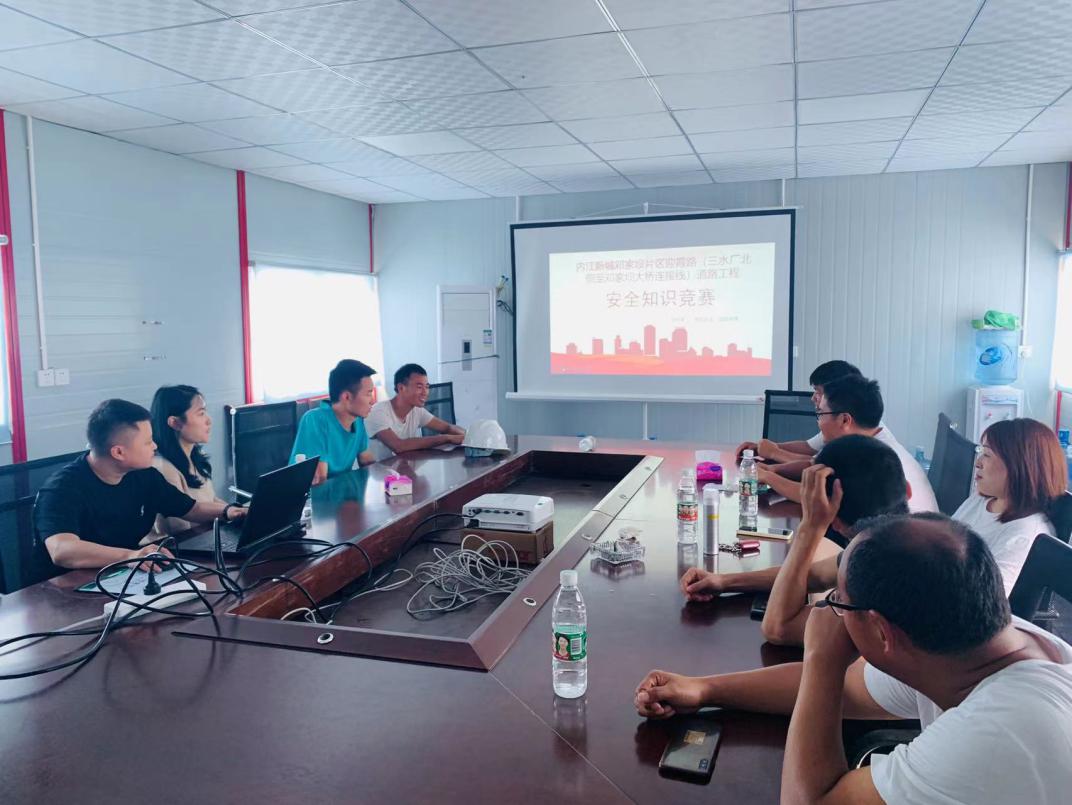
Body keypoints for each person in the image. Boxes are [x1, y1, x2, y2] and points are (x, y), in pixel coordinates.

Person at [636, 514, 1072, 804]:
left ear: (882, 632)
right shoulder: (965, 641)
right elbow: (849, 690)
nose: (830, 612)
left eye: (838, 602)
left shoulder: (999, 734)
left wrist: (822, 657)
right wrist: (706, 688)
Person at [681, 435, 910, 646]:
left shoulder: (874, 575)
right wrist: (723, 581)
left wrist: (810, 527)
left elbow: (778, 628)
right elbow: (813, 575)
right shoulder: (898, 541)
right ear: (907, 491)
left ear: (833, 519)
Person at [34, 399, 245, 570]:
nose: (154, 446)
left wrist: (230, 511)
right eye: (147, 442)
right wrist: (130, 556)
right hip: (66, 590)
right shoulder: (62, 488)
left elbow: (192, 509)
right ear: (118, 452)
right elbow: (62, 550)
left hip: (124, 573)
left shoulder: (144, 475)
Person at [757, 374, 938, 513]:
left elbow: (817, 497)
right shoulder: (865, 439)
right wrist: (771, 470)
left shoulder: (875, 457)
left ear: (845, 420)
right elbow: (815, 465)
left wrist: (768, 477)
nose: (818, 422)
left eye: (820, 414)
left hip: (902, 544)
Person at [953, 417, 1066, 595]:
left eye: (987, 455)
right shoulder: (981, 500)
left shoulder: (1026, 533)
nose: (978, 462)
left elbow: (988, 598)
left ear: (1018, 466)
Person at [734, 360, 862, 463]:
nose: (813, 398)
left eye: (818, 392)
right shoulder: (839, 421)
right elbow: (808, 447)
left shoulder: (860, 436)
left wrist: (774, 453)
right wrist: (766, 448)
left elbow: (816, 465)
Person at [149, 384, 225, 535]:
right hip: (188, 545)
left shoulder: (196, 456)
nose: (209, 420)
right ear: (175, 423)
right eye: (201, 413)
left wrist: (240, 512)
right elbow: (181, 532)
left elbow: (211, 500)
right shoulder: (163, 468)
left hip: (208, 536)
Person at [290, 359, 377, 485]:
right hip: (308, 495)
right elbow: (320, 481)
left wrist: (391, 478)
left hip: (339, 492)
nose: (373, 401)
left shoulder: (357, 421)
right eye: (369, 394)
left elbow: (367, 461)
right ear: (346, 397)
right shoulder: (315, 420)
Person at [365, 363, 465, 461]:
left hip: (405, 466)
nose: (425, 392)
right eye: (419, 387)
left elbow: (447, 427)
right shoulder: (378, 412)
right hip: (381, 470)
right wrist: (446, 438)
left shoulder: (417, 411)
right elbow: (398, 446)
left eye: (427, 387)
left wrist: (470, 436)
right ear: (401, 388)